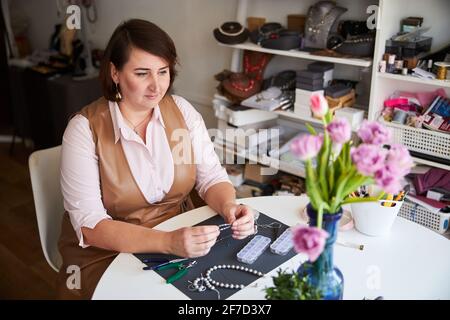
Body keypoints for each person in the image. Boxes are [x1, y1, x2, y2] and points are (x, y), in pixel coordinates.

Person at [57, 19, 255, 299]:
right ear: (115, 72)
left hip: (179, 231)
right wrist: (168, 242)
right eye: (142, 73)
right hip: (108, 252)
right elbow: (91, 226)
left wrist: (229, 206)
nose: (156, 86)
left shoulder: (181, 112)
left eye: (163, 72)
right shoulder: (84, 129)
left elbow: (210, 177)